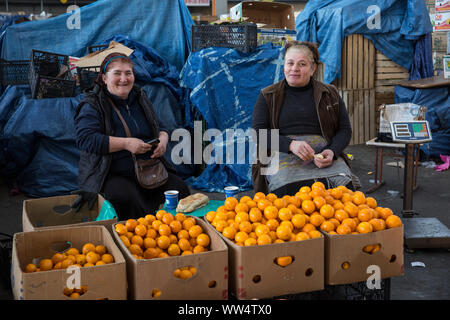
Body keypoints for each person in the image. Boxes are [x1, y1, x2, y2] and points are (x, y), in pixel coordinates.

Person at [73, 52, 190, 219]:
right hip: (111, 173)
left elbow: (159, 125)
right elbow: (87, 140)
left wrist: (163, 140)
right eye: (117, 73)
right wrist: (126, 144)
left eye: (128, 73)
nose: (124, 79)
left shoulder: (139, 97)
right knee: (127, 198)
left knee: (179, 189)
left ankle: (174, 233)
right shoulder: (93, 104)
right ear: (104, 78)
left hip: (148, 168)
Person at [252, 41, 360, 196]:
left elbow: (345, 130)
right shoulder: (268, 96)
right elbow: (258, 133)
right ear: (284, 66)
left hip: (323, 156)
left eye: (302, 64)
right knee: (288, 198)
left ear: (313, 68)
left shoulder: (330, 94)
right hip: (283, 154)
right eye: (290, 63)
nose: (294, 69)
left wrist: (332, 151)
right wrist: (291, 145)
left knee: (345, 192)